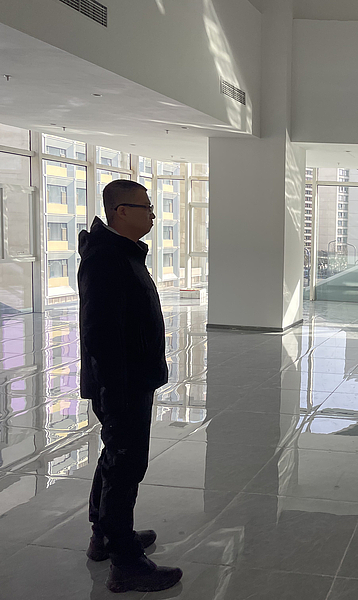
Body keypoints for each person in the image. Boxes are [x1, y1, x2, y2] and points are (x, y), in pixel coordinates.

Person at [79, 179, 182, 593]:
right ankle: (125, 561)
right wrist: (114, 393)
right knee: (126, 465)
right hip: (121, 384)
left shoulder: (122, 252)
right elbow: (101, 334)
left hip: (129, 379)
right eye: (146, 207)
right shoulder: (107, 258)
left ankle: (104, 536)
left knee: (116, 457)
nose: (153, 215)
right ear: (121, 211)